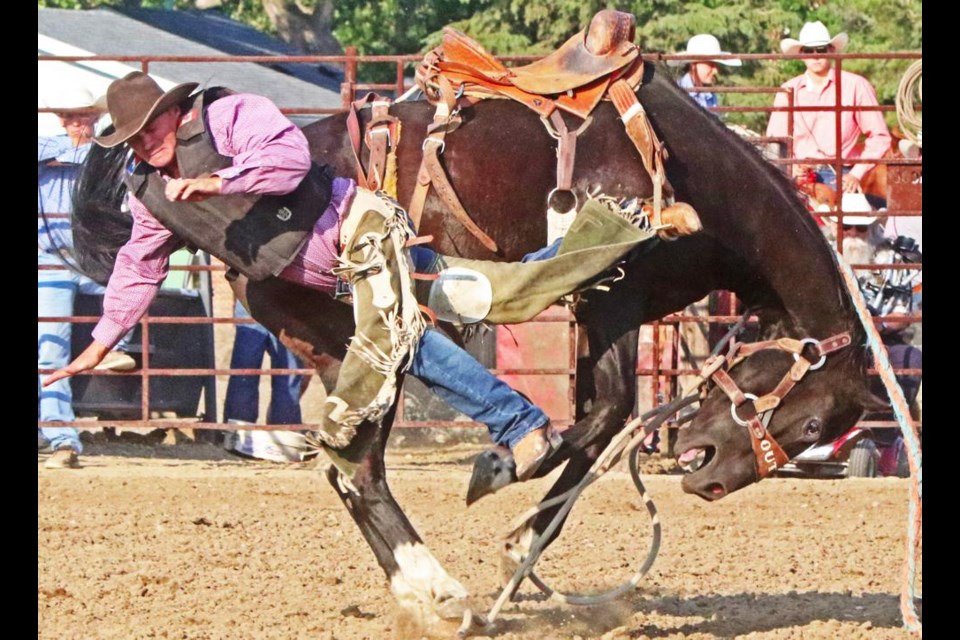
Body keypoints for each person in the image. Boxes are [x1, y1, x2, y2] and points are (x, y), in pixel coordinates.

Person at [44, 72, 679, 480]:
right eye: (129, 141)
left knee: (405, 341)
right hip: (338, 274)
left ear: (173, 113)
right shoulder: (154, 193)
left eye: (146, 131)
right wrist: (100, 343)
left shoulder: (232, 116)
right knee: (488, 293)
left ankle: (522, 426)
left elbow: (289, 159)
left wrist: (217, 181)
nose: (141, 146)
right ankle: (621, 230)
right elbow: (137, 266)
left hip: (360, 229)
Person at [38, 86, 135, 470]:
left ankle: (116, 347)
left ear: (95, 119)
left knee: (131, 288)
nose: (78, 123)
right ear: (61, 119)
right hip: (52, 258)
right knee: (50, 350)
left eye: (84, 116)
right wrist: (73, 152)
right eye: (71, 116)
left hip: (95, 258)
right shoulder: (50, 148)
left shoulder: (109, 152)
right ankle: (63, 438)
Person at [766, 21, 892, 204]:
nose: (816, 56)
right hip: (800, 176)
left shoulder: (855, 86)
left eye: (821, 49)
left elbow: (880, 137)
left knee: (849, 226)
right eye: (809, 51)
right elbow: (774, 141)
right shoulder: (787, 90)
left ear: (831, 51)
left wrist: (857, 173)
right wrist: (792, 168)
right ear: (801, 55)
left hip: (843, 175)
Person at [223, 299, 304, 425]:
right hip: (279, 301)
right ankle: (283, 430)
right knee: (286, 374)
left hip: (261, 300)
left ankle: (238, 431)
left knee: (245, 372)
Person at [668, 34, 741, 113]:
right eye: (710, 64)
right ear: (693, 64)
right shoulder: (675, 92)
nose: (715, 71)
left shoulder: (710, 96)